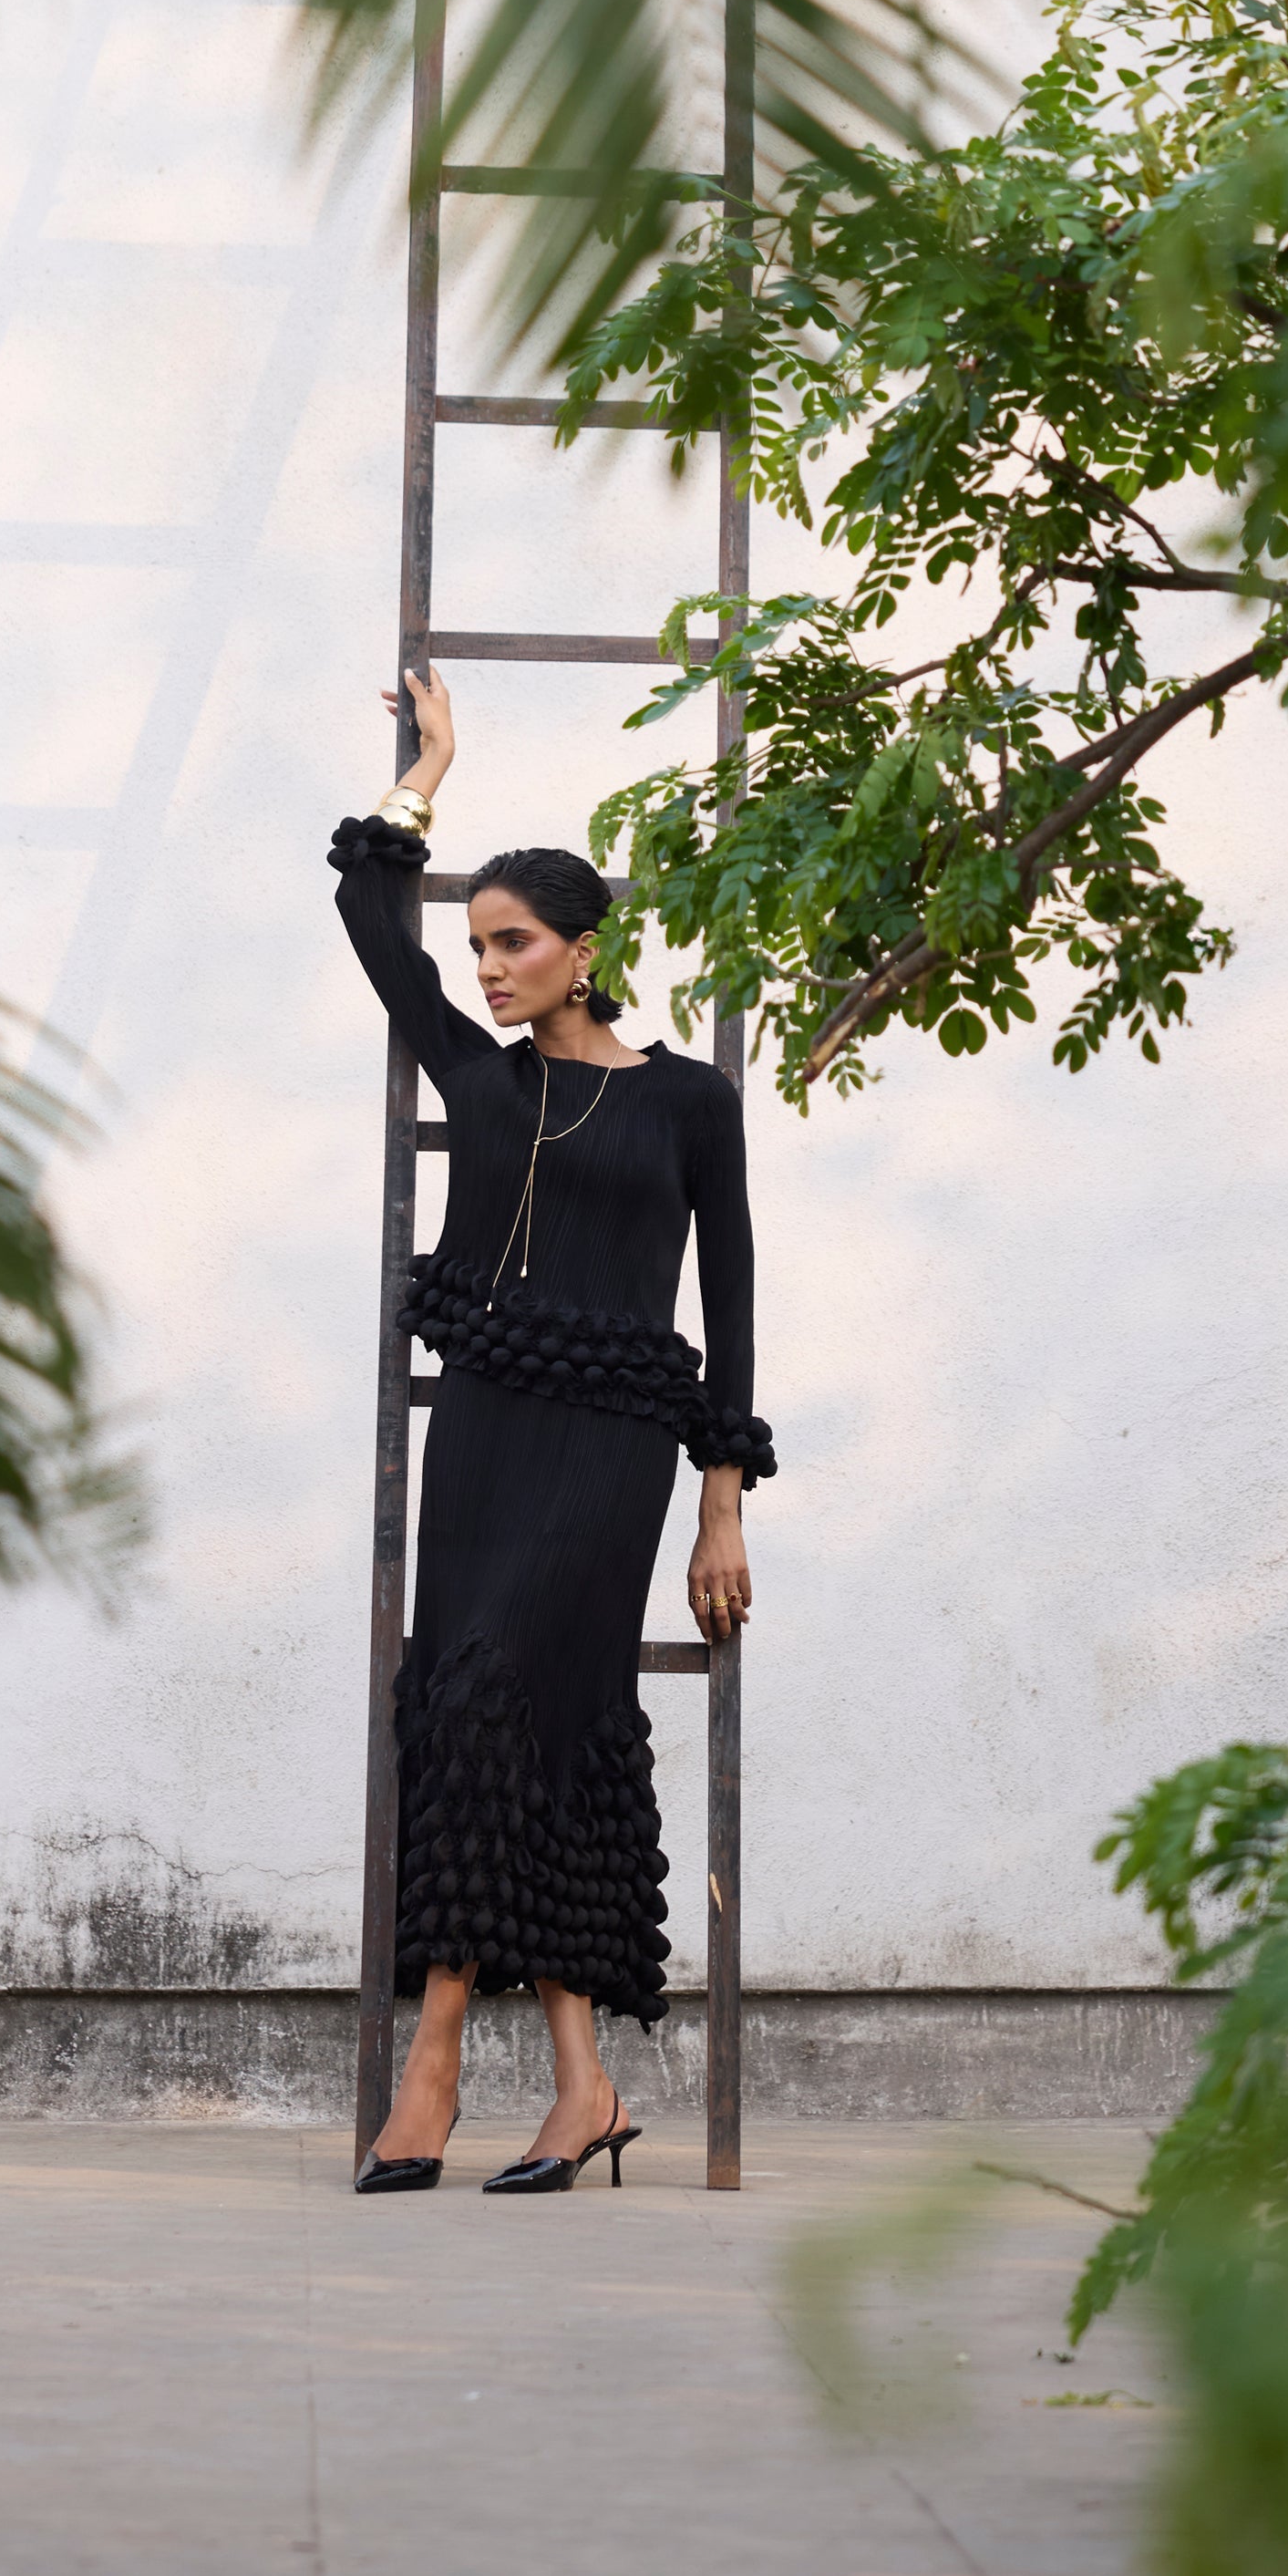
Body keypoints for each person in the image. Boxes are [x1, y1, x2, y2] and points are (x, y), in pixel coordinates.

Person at [332, 667, 773, 2197]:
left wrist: (723, 1502)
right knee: (498, 1719)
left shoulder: (691, 1103)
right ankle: (582, 2085)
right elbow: (368, 913)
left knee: (508, 1700)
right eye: (477, 945)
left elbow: (733, 1304)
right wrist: (427, 772)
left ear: (588, 950)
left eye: (514, 941)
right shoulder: (478, 1072)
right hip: (488, 1426)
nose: (490, 967)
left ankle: (437, 2056)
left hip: (611, 1450)